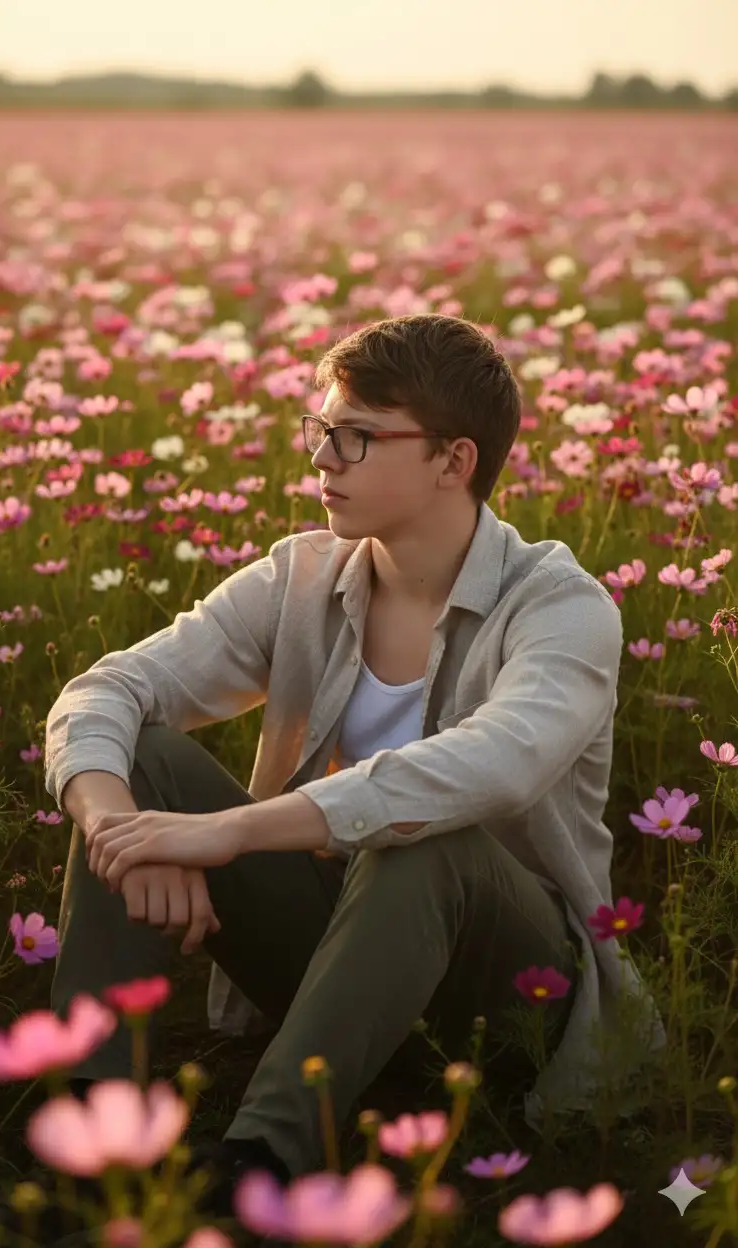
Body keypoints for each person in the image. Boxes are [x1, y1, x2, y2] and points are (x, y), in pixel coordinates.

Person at [45, 313, 666, 1219]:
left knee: (424, 835)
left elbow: (494, 765)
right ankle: (88, 1129)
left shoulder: (561, 609)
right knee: (135, 757)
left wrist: (229, 833)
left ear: (454, 460)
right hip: (335, 952)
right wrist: (122, 830)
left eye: (358, 437)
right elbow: (105, 690)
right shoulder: (300, 578)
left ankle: (259, 1162)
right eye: (322, 429)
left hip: (504, 994)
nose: (322, 457)